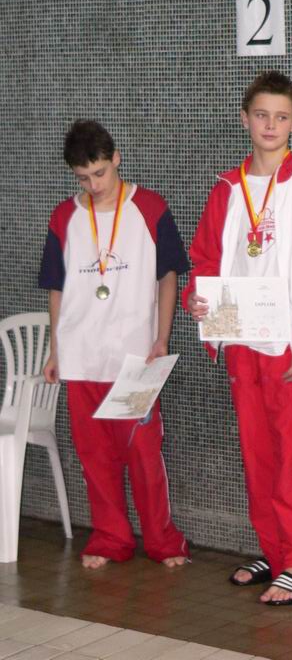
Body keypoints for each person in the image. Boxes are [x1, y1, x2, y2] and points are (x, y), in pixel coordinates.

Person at [184, 71, 292, 605]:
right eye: (261, 115)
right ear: (245, 119)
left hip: (290, 348)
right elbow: (205, 260)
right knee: (257, 454)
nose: (270, 125)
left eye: (280, 117)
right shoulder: (227, 189)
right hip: (241, 343)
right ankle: (275, 551)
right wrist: (197, 298)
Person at [39, 119, 189, 569]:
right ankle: (110, 538)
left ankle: (162, 541)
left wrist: (161, 337)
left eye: (99, 173)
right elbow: (57, 289)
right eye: (83, 178)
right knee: (95, 456)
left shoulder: (149, 207)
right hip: (82, 354)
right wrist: (55, 349)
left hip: (135, 355)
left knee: (143, 453)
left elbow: (168, 277)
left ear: (116, 158)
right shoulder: (64, 216)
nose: (94, 185)